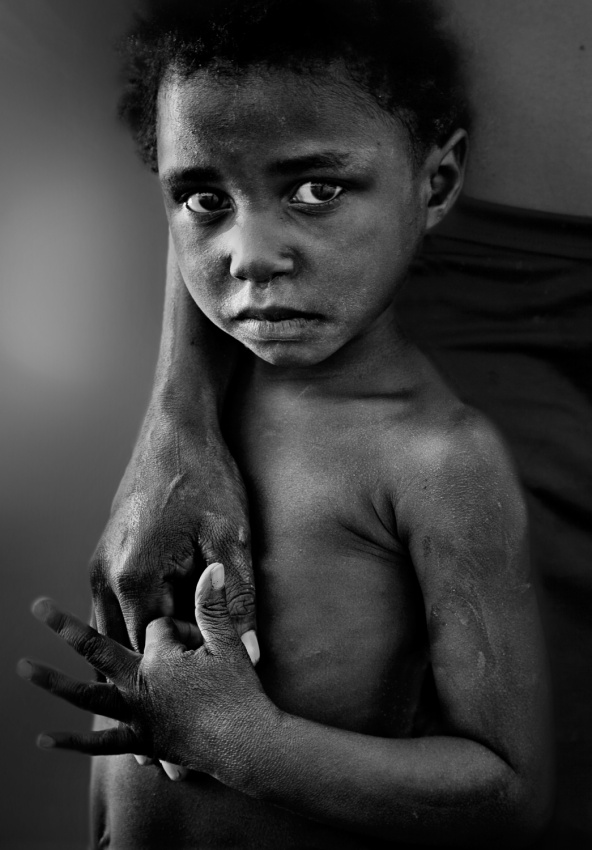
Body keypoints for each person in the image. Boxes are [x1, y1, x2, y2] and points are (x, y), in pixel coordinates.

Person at [19, 1, 553, 847]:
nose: (251, 255)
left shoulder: (437, 458)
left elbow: (508, 792)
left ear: (437, 182)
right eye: (204, 198)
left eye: (316, 191)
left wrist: (239, 742)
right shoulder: (195, 424)